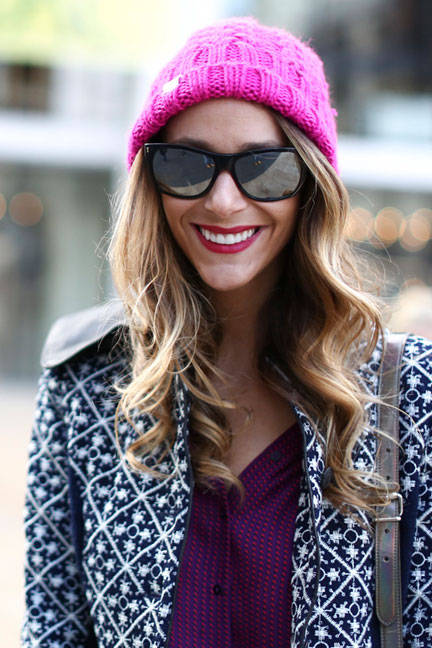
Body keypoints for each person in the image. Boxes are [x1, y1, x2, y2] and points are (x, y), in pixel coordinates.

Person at [22, 16, 432, 648]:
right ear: (151, 184)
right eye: (186, 163)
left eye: (263, 168)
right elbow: (53, 630)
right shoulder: (84, 387)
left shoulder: (410, 396)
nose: (221, 200)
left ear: (311, 185)